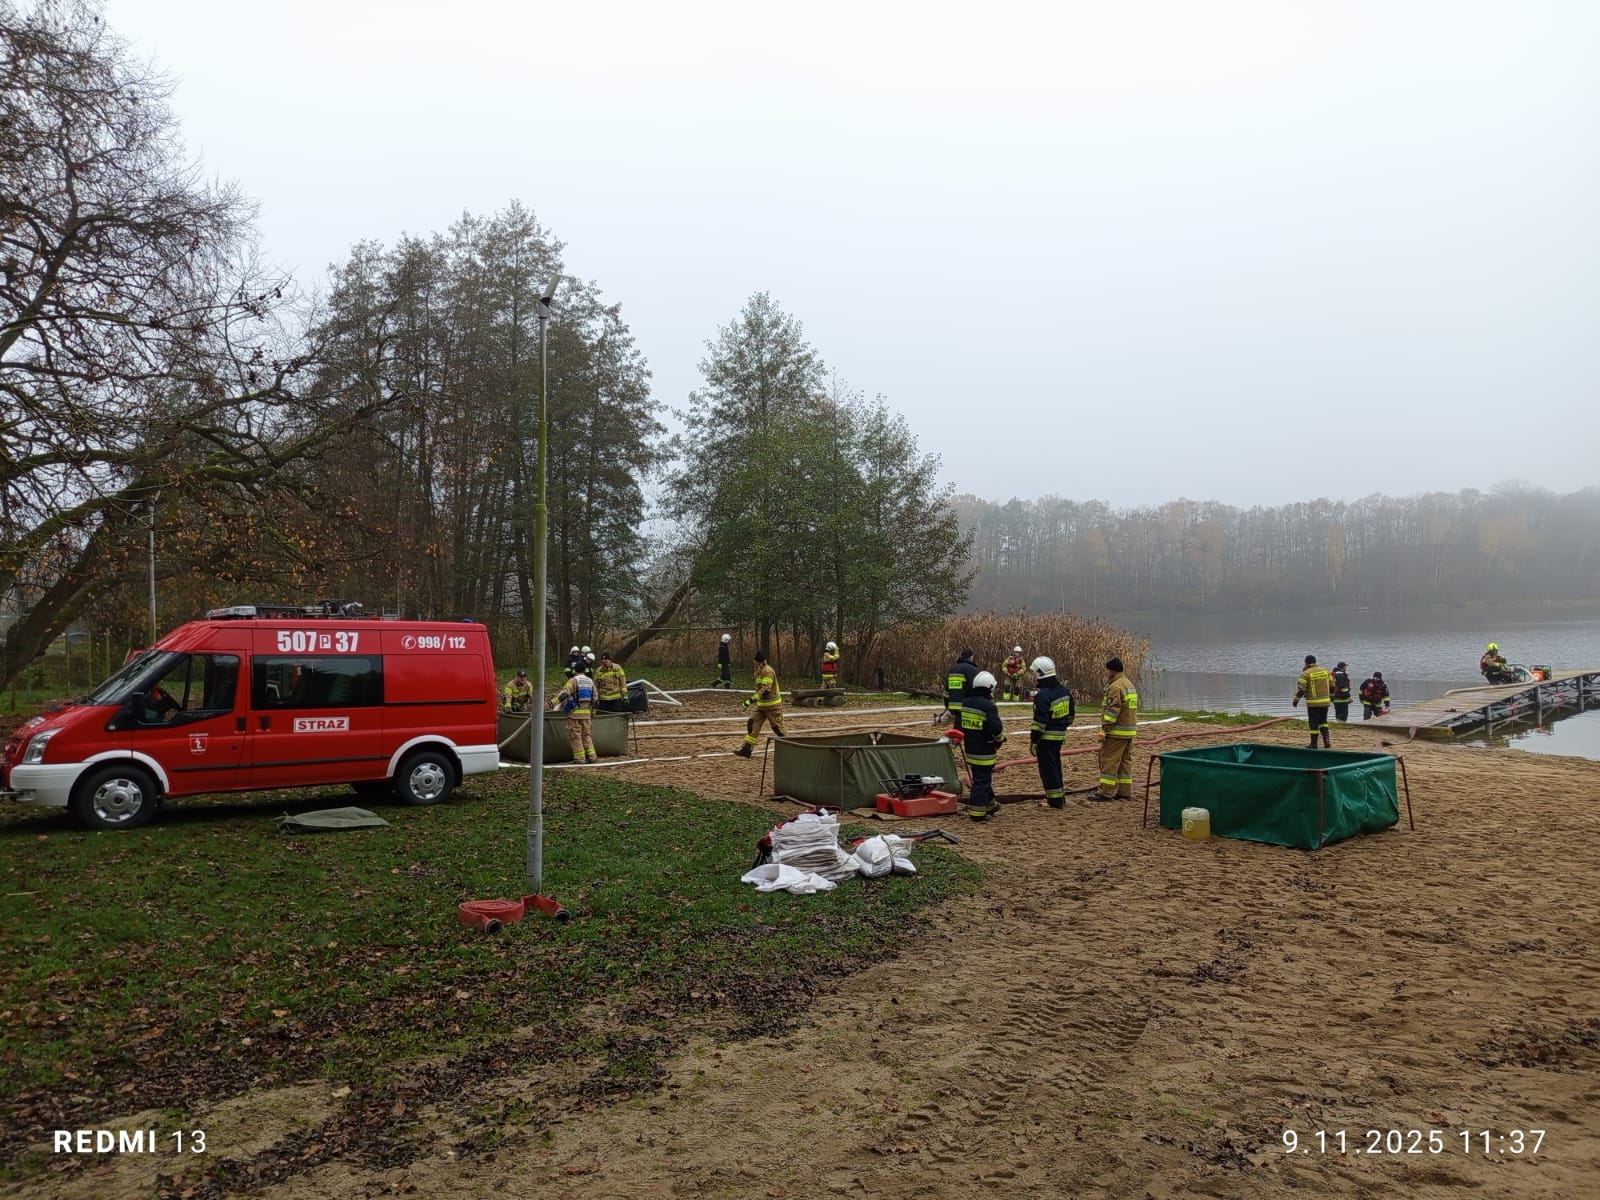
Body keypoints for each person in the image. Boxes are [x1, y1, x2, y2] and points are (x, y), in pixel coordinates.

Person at [1028, 656, 1075, 810]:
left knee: (1048, 769)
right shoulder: (1064, 691)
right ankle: (1060, 797)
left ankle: (1054, 801)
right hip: (1059, 736)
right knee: (1055, 766)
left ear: (1040, 674)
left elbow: (1039, 721)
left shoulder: (1043, 695)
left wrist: (1034, 739)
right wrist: (1061, 727)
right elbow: (1070, 716)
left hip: (1046, 738)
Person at [959, 670, 1006, 820]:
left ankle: (990, 804)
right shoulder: (988, 706)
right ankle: (977, 813)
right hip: (985, 749)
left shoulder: (966, 703)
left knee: (981, 777)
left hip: (970, 747)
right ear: (989, 687)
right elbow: (996, 729)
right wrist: (1000, 739)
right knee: (982, 781)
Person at [1093, 657, 1139, 800]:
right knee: (1125, 762)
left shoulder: (1115, 687)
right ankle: (1125, 792)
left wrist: (1104, 729)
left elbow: (1113, 711)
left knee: (1109, 761)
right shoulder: (1129, 684)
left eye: (1107, 669)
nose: (1106, 672)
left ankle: (1105, 792)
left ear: (1113, 670)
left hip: (1116, 732)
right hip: (1129, 731)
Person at [734, 650, 786, 757]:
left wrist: (750, 701)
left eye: (756, 662)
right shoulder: (759, 670)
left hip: (772, 707)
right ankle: (747, 749)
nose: (754, 663)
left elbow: (765, 690)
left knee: (778, 728)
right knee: (752, 724)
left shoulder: (768, 671)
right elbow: (758, 688)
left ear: (761, 662)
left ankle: (791, 747)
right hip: (761, 706)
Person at [549, 668, 598, 763]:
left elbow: (564, 694)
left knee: (575, 736)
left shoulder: (573, 680)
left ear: (575, 671)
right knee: (586, 736)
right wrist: (593, 712)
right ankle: (592, 757)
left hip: (574, 713)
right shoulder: (590, 681)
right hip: (587, 714)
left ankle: (580, 758)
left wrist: (551, 703)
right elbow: (595, 699)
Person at [1292, 654, 1333, 748]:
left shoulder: (1305, 674)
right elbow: (1332, 685)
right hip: (1325, 701)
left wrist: (1296, 700)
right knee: (1323, 721)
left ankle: (1314, 743)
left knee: (1313, 723)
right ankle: (1326, 739)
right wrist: (1332, 697)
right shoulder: (1326, 671)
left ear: (1306, 663)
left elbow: (1302, 689)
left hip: (1313, 703)